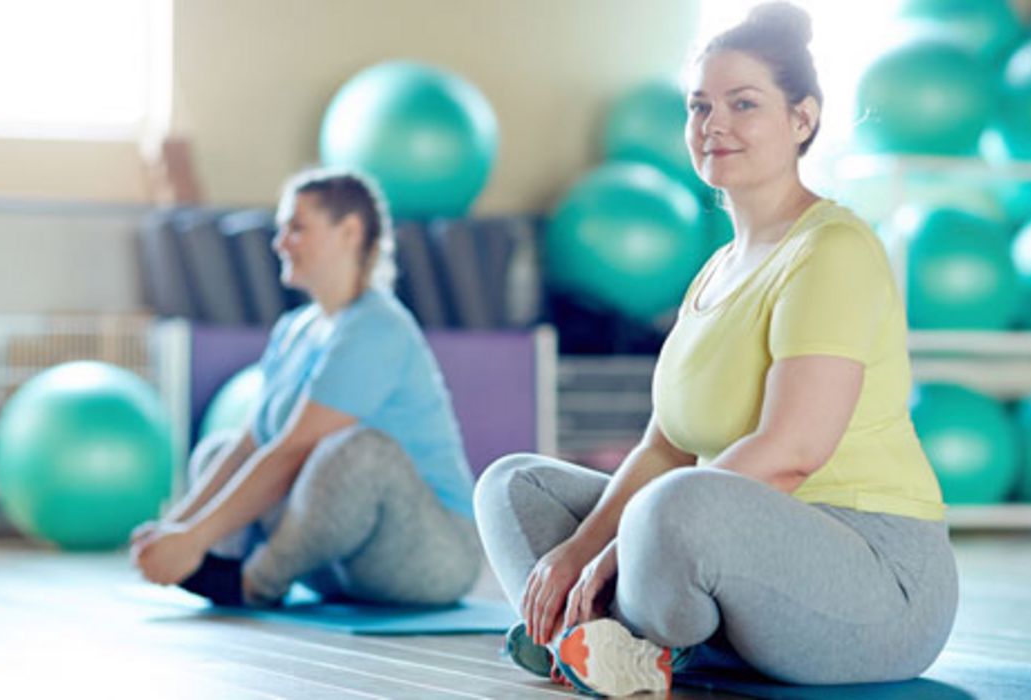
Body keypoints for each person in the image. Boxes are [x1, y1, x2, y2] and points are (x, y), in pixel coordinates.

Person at [473, 3, 957, 696]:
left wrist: (620, 549)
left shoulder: (833, 249)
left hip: (877, 583)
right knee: (513, 484)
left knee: (673, 508)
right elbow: (663, 447)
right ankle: (605, 638)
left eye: (743, 103)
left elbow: (792, 451)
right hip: (732, 556)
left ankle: (612, 642)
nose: (713, 124)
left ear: (802, 119)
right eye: (699, 106)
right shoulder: (715, 269)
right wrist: (574, 553)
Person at [130, 168, 480, 609]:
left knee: (356, 451)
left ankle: (257, 582)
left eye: (296, 228)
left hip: (430, 554)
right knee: (219, 450)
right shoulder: (295, 329)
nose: (280, 243)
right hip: (338, 556)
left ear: (350, 232)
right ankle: (222, 563)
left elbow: (294, 449)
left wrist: (195, 537)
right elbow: (252, 441)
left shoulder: (376, 326)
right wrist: (175, 529)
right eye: (281, 229)